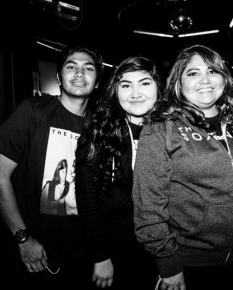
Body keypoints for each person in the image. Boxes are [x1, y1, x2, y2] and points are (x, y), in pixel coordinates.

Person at [132, 44, 233, 290]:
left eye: (212, 71)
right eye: (193, 73)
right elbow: (148, 207)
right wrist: (169, 265)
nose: (204, 80)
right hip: (188, 265)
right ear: (179, 82)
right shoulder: (162, 128)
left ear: (224, 78)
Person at [0, 44, 104, 290]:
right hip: (36, 252)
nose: (80, 73)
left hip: (83, 254)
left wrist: (100, 254)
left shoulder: (100, 128)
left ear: (98, 81)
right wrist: (23, 239)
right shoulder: (34, 111)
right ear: (59, 76)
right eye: (71, 67)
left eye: (88, 68)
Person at [75, 56, 161, 289]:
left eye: (144, 83)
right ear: (115, 90)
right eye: (125, 85)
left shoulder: (172, 131)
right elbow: (86, 198)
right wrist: (99, 255)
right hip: (113, 246)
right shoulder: (98, 131)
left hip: (161, 248)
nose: (135, 93)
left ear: (157, 87)